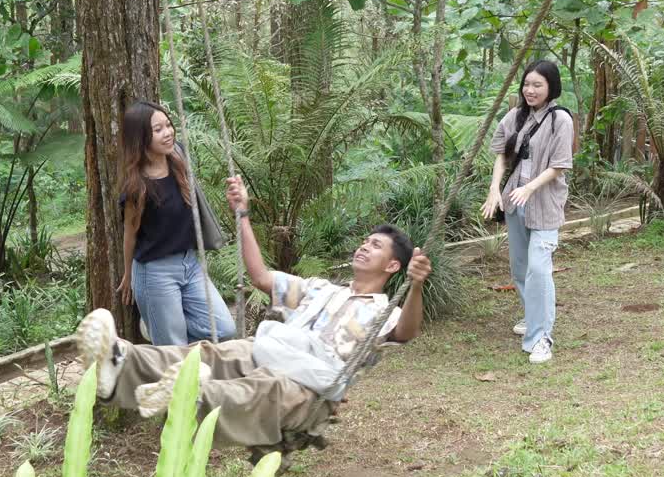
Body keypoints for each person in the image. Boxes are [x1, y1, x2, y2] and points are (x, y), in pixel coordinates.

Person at [77, 175, 433, 448]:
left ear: (392, 266)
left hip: (308, 386)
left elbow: (406, 332)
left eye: (375, 246)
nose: (364, 247)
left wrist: (415, 285)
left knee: (263, 389)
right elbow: (262, 277)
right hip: (273, 350)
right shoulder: (320, 289)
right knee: (211, 353)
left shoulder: (383, 311)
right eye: (365, 241)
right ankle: (119, 364)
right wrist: (242, 214)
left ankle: (188, 398)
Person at [118, 100, 236, 345]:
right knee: (174, 350)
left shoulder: (178, 157)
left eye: (168, 125)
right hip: (155, 272)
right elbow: (130, 233)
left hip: (189, 264)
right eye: (158, 129)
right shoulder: (137, 187)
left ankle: (157, 328)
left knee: (223, 329)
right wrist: (128, 274)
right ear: (141, 137)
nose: (168, 132)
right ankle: (161, 327)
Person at [480, 60, 574, 364]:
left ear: (551, 87)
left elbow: (559, 166)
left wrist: (530, 188)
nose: (530, 90)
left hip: (544, 205)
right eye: (527, 84)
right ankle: (532, 315)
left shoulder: (560, 120)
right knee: (520, 269)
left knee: (539, 269)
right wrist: (495, 189)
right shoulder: (515, 116)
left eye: (538, 85)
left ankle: (541, 337)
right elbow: (501, 155)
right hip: (515, 202)